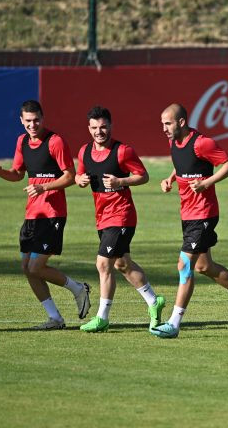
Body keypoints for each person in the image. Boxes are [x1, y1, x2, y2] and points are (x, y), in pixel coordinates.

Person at [151, 104, 228, 338]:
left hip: (204, 213)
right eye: (162, 124)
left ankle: (174, 323)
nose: (164, 128)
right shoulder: (174, 142)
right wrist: (170, 178)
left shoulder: (203, 142)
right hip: (187, 214)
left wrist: (207, 182)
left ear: (181, 122)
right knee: (203, 266)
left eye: (168, 123)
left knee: (184, 265)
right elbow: (181, 163)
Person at [0, 100, 90, 330]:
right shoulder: (22, 141)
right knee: (26, 267)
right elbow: (17, 174)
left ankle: (78, 289)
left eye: (36, 120)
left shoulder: (55, 141)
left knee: (36, 267)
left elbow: (70, 176)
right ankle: (55, 318)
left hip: (52, 213)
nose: (33, 125)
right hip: (32, 213)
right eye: (28, 121)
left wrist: (43, 187)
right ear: (21, 121)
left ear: (43, 119)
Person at [74, 106, 165, 332]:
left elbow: (143, 176)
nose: (99, 131)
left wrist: (120, 182)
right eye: (94, 127)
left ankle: (102, 317)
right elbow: (79, 174)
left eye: (103, 126)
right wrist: (79, 180)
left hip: (122, 214)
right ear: (88, 128)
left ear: (111, 126)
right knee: (122, 264)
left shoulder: (123, 151)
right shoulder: (84, 151)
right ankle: (154, 302)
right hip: (102, 216)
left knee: (103, 263)